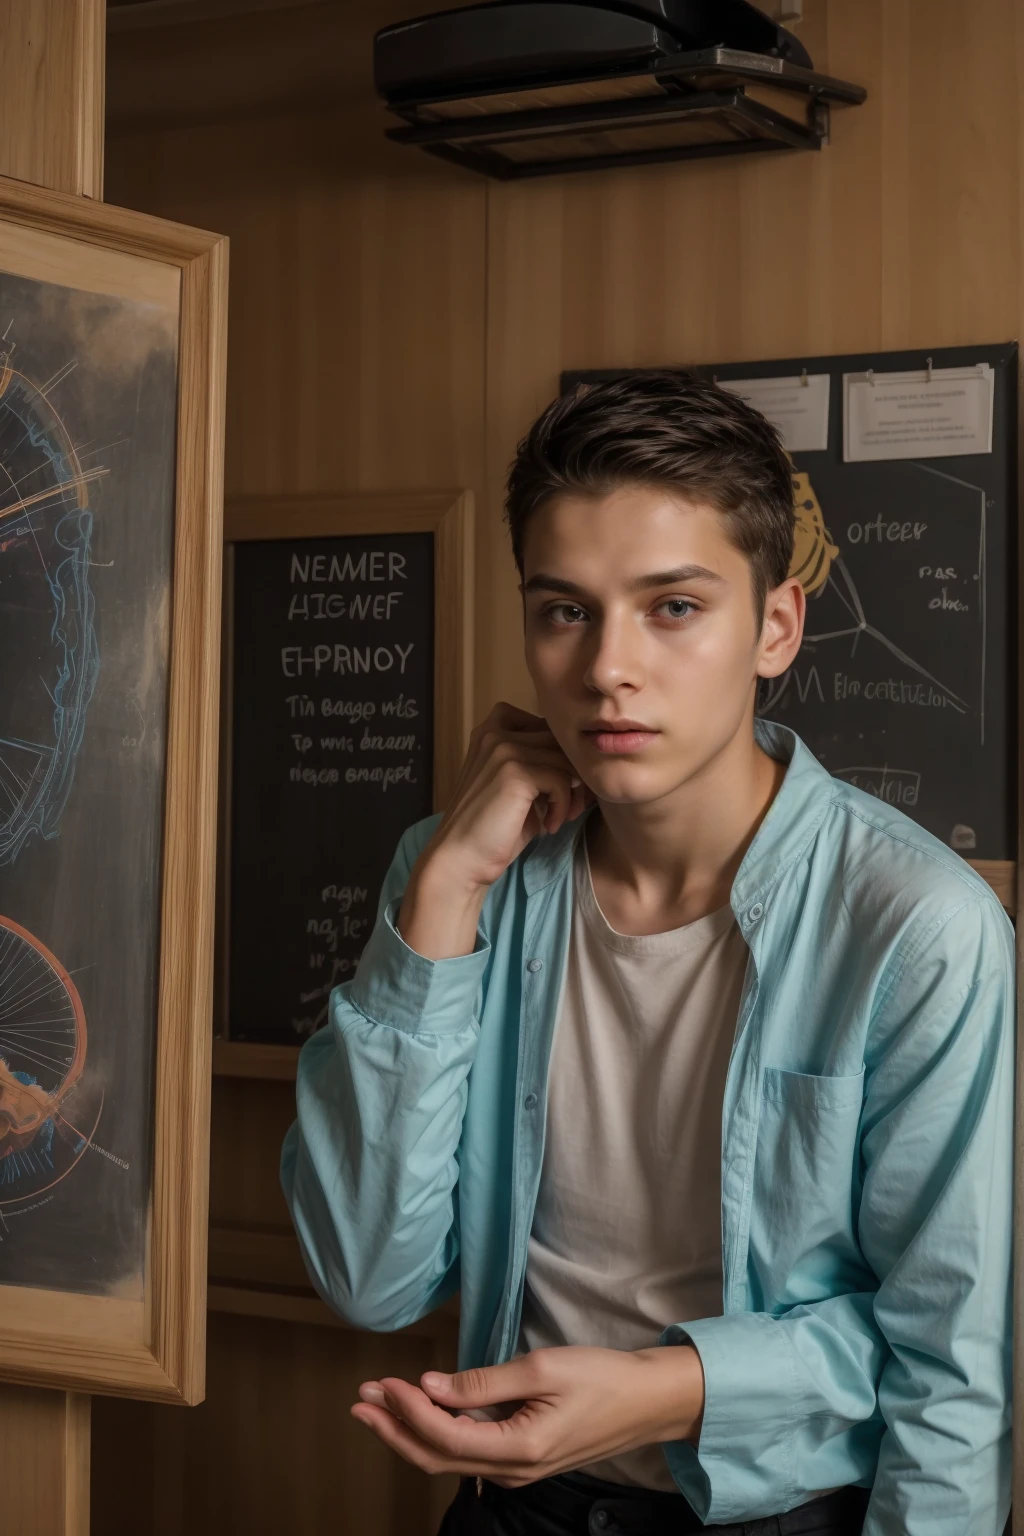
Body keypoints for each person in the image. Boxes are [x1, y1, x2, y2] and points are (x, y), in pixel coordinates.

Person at [280, 373, 1013, 1536]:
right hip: (511, 1511)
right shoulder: (456, 874)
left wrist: (669, 1391)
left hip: (784, 1515)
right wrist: (440, 896)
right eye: (563, 610)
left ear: (775, 626)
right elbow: (369, 1276)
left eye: (672, 607)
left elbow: (951, 1361)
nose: (606, 668)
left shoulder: (916, 924)